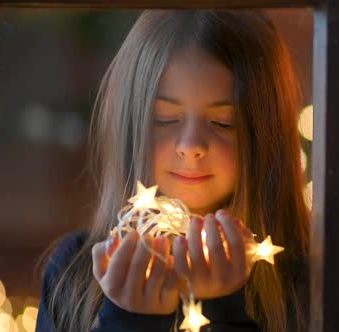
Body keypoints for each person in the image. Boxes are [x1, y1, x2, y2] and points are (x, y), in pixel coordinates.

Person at [35, 10, 310, 332]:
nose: (191, 145)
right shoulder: (75, 271)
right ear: (132, 124)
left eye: (224, 123)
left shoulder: (306, 279)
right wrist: (127, 321)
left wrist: (223, 313)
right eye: (165, 118)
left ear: (266, 135)